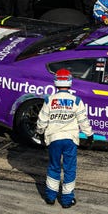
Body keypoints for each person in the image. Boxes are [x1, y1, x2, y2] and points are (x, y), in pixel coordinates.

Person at [35, 68, 94, 208]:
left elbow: (42, 120)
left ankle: (50, 197)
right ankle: (67, 201)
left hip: (54, 138)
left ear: (55, 82)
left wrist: (39, 131)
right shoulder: (76, 100)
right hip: (70, 139)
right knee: (69, 169)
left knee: (54, 166)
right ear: (70, 82)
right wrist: (89, 135)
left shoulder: (49, 99)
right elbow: (83, 120)